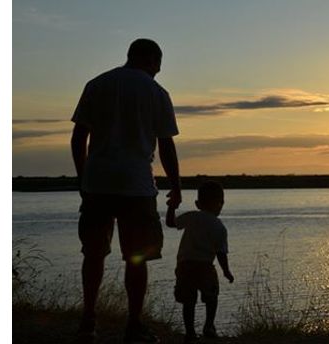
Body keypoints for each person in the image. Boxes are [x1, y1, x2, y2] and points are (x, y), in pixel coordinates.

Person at [71, 38, 182, 343]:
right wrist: (176, 186)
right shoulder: (157, 93)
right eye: (159, 65)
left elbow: (79, 136)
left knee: (93, 255)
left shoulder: (97, 84)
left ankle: (88, 322)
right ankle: (133, 325)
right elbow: (166, 145)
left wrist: (83, 178)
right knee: (137, 258)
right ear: (153, 61)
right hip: (136, 187)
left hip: (98, 184)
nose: (159, 70)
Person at [170, 181, 234, 343]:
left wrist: (172, 206)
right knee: (211, 297)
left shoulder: (192, 217)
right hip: (205, 266)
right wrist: (226, 271)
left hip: (185, 266)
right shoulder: (219, 226)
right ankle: (209, 326)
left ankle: (190, 332)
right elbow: (221, 253)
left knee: (188, 301)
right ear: (221, 204)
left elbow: (171, 223)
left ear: (198, 203)